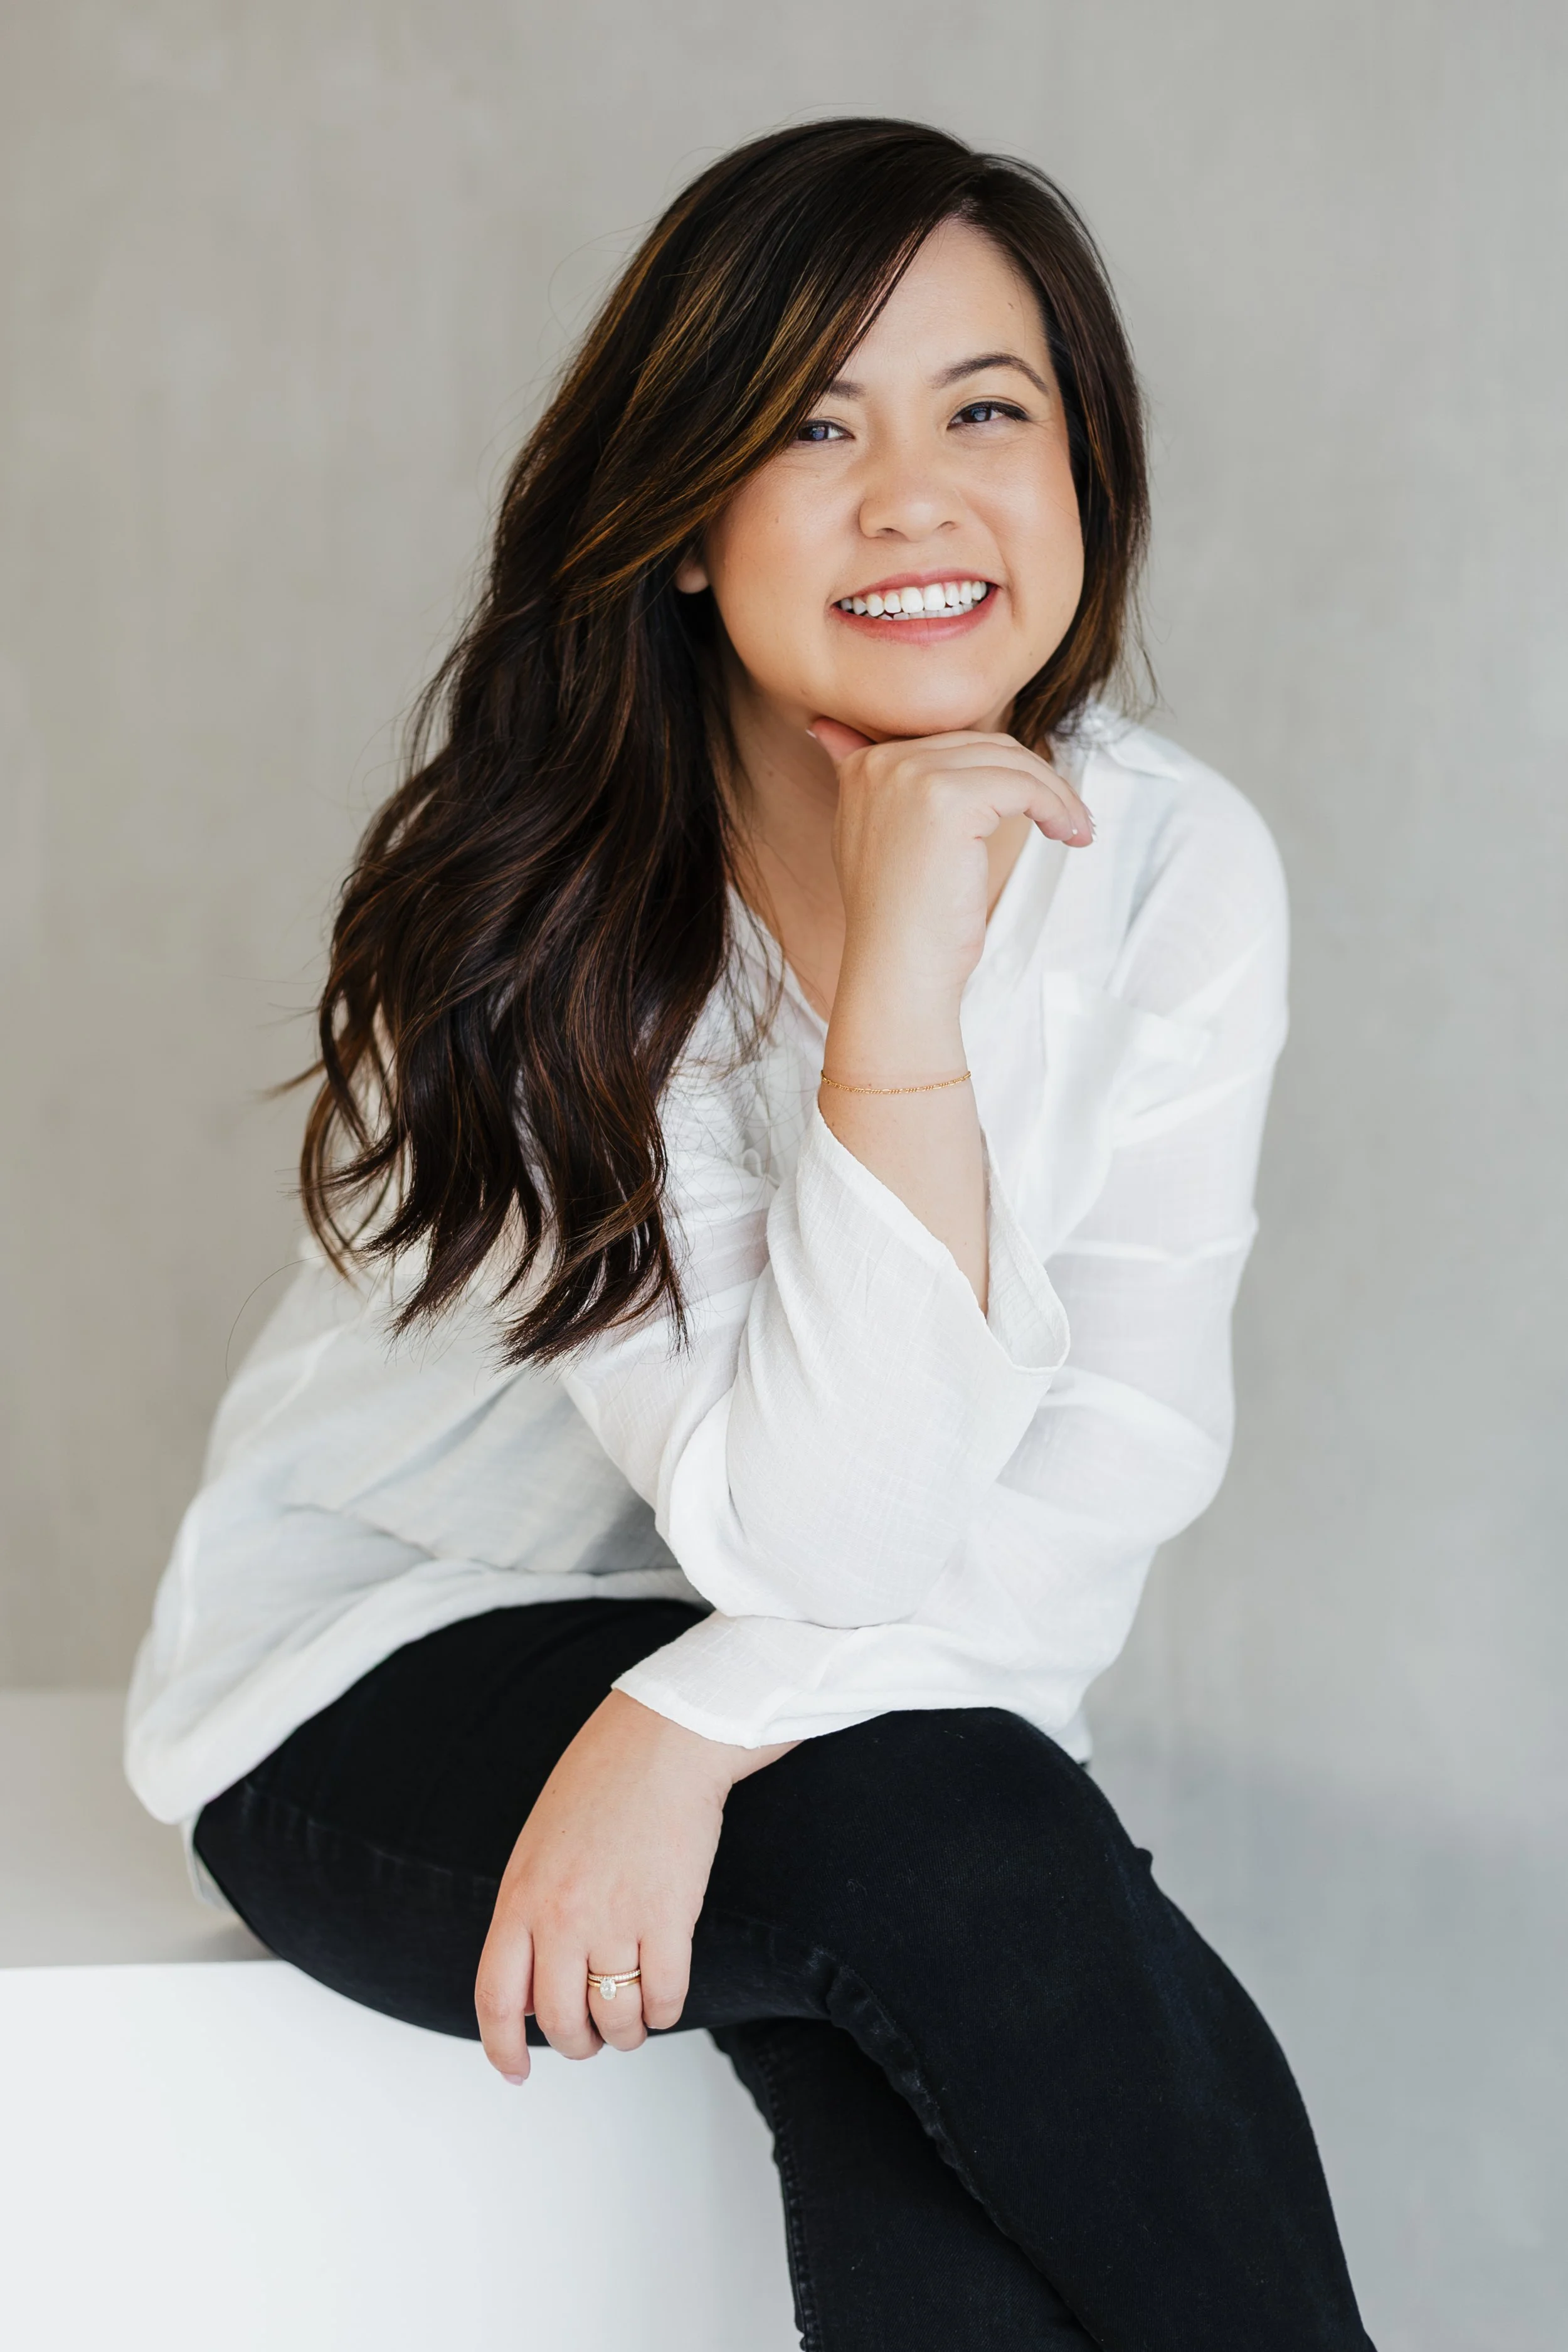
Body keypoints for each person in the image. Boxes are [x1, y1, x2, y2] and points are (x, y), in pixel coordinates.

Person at [125, 118, 1375, 2349]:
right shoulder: (541, 912)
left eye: (985, 412)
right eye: (812, 426)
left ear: (1080, 474)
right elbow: (811, 1518)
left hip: (829, 1694)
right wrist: (894, 1000)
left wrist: (690, 1727)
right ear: (689, 520)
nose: (914, 495)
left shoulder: (1174, 867)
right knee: (961, 1834)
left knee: (928, 1978)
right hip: (381, 1663)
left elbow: (1104, 1463)